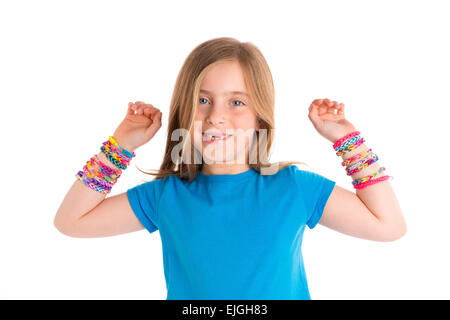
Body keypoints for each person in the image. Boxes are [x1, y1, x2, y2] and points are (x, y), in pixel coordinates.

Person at [54, 37, 407, 300]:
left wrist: (345, 139)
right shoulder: (166, 195)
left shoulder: (294, 188)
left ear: (259, 118)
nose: (216, 115)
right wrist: (121, 145)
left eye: (236, 102)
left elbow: (388, 226)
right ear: (183, 111)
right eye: (202, 100)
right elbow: (71, 222)